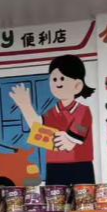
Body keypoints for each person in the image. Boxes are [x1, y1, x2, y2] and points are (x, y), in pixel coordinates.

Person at [10, 55, 96, 187]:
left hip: (80, 166)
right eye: (54, 79)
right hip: (54, 166)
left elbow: (69, 142)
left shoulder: (83, 111)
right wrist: (25, 105)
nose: (58, 83)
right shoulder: (51, 112)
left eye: (62, 79)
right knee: (54, 197)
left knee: (83, 198)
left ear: (77, 85)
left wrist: (62, 138)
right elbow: (37, 128)